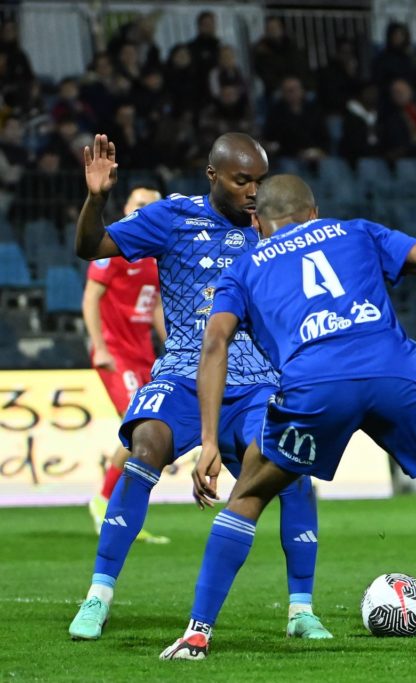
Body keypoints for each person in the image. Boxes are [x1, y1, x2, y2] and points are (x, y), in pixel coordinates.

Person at [159, 175, 416, 661]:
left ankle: (196, 634)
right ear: (314, 211)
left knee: (247, 496)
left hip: (316, 389)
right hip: (394, 377)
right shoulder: (355, 230)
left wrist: (209, 439)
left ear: (257, 222)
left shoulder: (244, 267)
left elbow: (214, 343)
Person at [68, 133, 330, 643]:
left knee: (290, 465)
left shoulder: (275, 226)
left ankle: (301, 610)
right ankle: (98, 595)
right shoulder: (172, 217)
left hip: (255, 380)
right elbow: (89, 247)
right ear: (213, 176)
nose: (254, 192)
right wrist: (96, 199)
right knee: (146, 444)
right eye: (242, 181)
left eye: (260, 181)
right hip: (185, 369)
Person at [84, 185, 168, 543]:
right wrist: (100, 348)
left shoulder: (156, 255)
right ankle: (104, 500)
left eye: (151, 206)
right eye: (139, 204)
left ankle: (121, 511)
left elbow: (156, 305)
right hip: (116, 353)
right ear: (126, 207)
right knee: (139, 428)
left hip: (144, 355)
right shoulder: (115, 246)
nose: (143, 209)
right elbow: (91, 298)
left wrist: (173, 345)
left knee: (150, 433)